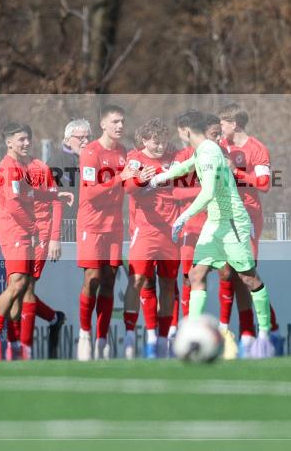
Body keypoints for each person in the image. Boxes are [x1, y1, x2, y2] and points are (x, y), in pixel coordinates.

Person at [151, 111, 275, 358]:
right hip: (214, 222)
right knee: (196, 274)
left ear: (186, 130)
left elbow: (207, 193)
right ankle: (192, 331)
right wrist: (160, 178)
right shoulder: (205, 148)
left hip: (232, 222)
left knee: (248, 278)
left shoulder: (208, 150)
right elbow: (189, 165)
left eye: (179, 131)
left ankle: (264, 334)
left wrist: (183, 217)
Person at [0, 128, 70, 359]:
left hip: (38, 235)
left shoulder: (40, 168)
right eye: (21, 139)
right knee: (19, 288)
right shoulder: (11, 168)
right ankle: (44, 325)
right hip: (19, 232)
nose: (27, 143)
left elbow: (56, 202)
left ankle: (24, 349)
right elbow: (1, 202)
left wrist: (54, 237)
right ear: (9, 142)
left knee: (25, 288)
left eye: (28, 139)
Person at [218, 103, 284, 355]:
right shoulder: (221, 147)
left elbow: (265, 184)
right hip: (224, 216)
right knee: (227, 274)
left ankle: (271, 331)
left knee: (247, 277)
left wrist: (238, 174)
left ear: (233, 124)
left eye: (223, 124)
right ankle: (242, 336)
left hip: (248, 216)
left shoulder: (257, 149)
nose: (220, 129)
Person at [76, 104, 137, 360]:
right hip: (91, 224)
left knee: (110, 279)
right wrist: (119, 178)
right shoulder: (90, 152)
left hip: (114, 226)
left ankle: (102, 339)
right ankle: (85, 334)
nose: (120, 126)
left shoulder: (125, 152)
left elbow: (131, 186)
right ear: (103, 124)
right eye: (115, 122)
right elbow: (89, 192)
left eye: (122, 121)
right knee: (92, 278)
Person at [122, 118, 178, 358]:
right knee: (137, 281)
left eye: (163, 141)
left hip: (171, 233)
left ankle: (163, 339)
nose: (160, 146)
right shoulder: (135, 158)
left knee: (167, 285)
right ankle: (130, 335)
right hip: (145, 231)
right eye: (156, 142)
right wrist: (140, 178)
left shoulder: (173, 156)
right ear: (145, 140)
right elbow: (127, 187)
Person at [47, 119, 91, 229]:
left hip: (88, 224)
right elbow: (44, 195)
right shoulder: (55, 162)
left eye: (88, 137)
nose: (86, 141)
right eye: (81, 138)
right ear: (67, 140)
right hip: (64, 227)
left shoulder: (92, 160)